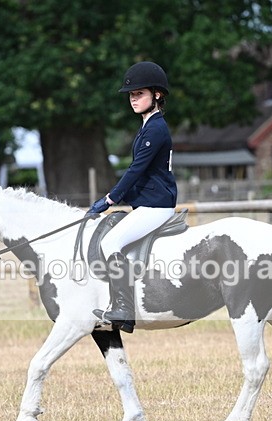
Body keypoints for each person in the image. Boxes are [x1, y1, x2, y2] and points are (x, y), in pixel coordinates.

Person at [88, 61, 178, 333]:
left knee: (111, 241)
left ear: (157, 95)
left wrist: (110, 199)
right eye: (131, 95)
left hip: (157, 205)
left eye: (139, 94)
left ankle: (124, 310)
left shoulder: (155, 129)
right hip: (148, 203)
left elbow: (136, 170)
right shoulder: (147, 126)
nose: (133, 99)